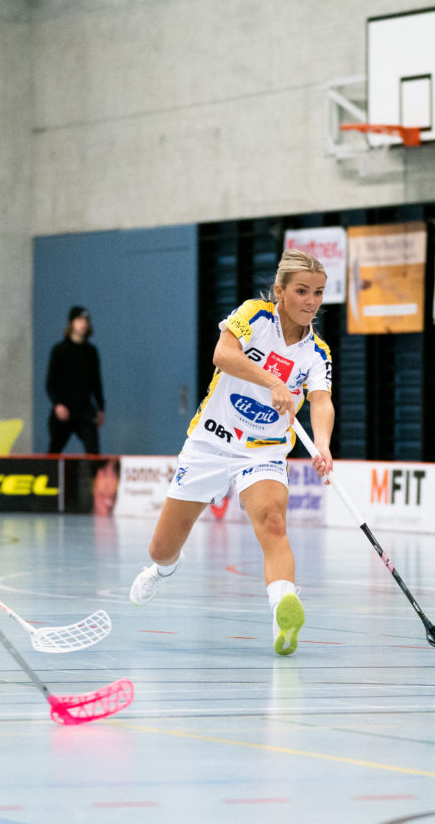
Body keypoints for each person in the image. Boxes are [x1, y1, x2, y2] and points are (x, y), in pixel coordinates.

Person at [127, 249, 334, 655]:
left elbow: (321, 401)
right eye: (302, 291)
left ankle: (283, 611)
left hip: (263, 452)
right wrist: (273, 381)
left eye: (319, 293)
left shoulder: (317, 353)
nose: (311, 301)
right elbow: (223, 355)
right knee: (161, 547)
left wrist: (323, 444)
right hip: (211, 443)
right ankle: (163, 569)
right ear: (280, 291)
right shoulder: (254, 315)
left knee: (273, 522)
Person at [46, 306, 105, 454]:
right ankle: (52, 477)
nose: (83, 323)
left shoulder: (91, 352)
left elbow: (96, 383)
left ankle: (91, 477)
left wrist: (101, 407)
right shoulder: (59, 350)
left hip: (84, 409)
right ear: (71, 323)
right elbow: (50, 382)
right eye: (79, 319)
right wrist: (58, 404)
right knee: (54, 451)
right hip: (64, 409)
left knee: (93, 451)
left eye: (86, 320)